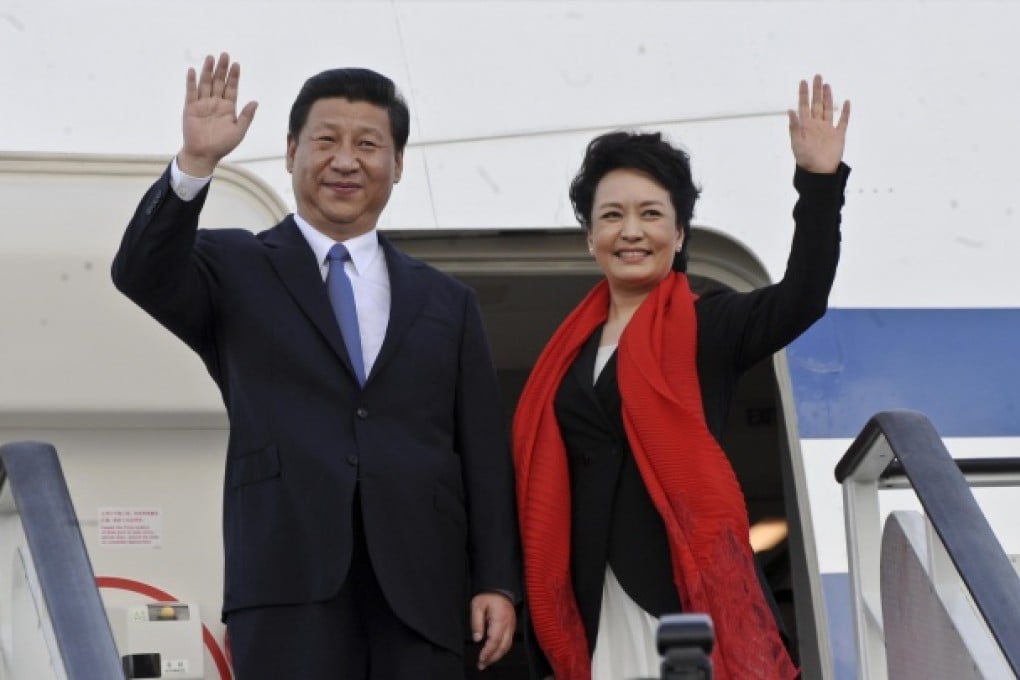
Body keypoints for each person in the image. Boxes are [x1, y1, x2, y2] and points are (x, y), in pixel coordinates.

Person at [112, 53, 521, 679]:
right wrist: (195, 165)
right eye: (326, 141)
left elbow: (483, 454)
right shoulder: (235, 266)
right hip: (285, 586)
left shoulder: (448, 302)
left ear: (398, 164)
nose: (345, 161)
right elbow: (140, 271)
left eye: (368, 144)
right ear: (291, 152)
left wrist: (496, 580)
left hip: (422, 594)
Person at [513, 75, 850, 680]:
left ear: (680, 234)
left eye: (651, 214)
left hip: (682, 595)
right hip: (593, 597)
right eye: (612, 216)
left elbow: (802, 297)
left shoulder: (707, 325)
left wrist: (819, 184)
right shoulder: (566, 352)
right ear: (591, 238)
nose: (632, 231)